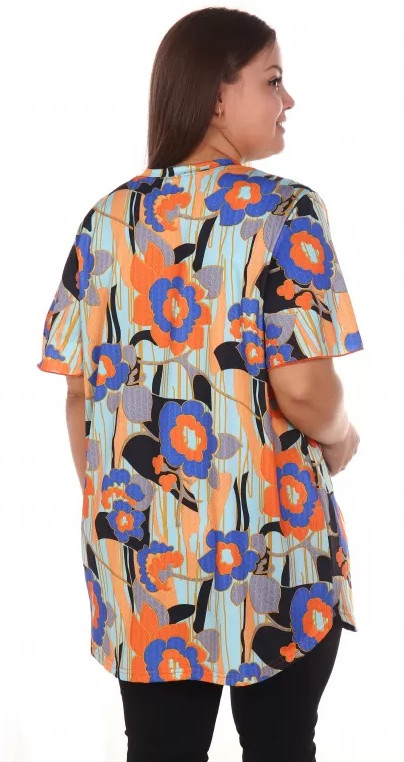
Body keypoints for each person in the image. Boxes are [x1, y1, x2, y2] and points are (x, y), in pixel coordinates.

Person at [36, 6, 364, 761]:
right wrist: (343, 439)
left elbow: (80, 394)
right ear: (218, 95)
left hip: (144, 562)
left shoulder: (107, 219)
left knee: (160, 750)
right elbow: (306, 390)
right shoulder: (284, 211)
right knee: (282, 747)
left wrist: (130, 512)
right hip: (272, 558)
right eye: (272, 81)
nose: (288, 99)